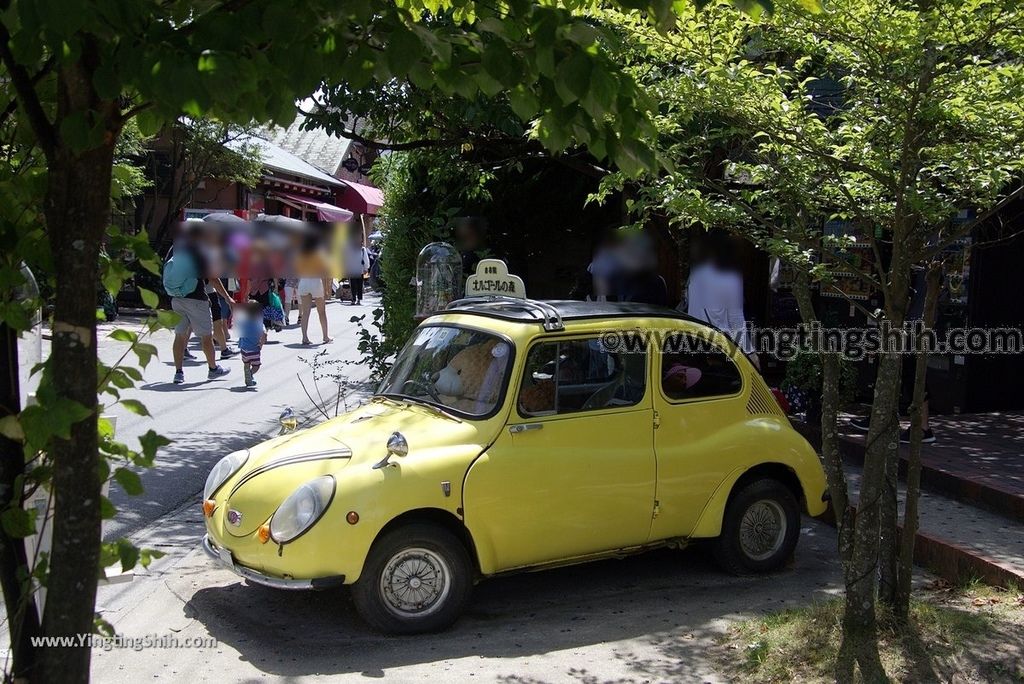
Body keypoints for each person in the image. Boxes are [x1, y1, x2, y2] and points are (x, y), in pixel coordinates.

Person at [163, 224, 232, 384]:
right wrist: (228, 298)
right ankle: (213, 369)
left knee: (180, 336)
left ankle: (178, 373)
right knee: (206, 336)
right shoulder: (199, 252)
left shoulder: (174, 249)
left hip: (176, 298)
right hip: (196, 299)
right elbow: (213, 278)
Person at [683, 230, 759, 370]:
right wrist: (750, 352)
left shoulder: (696, 274)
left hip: (694, 342)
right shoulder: (731, 278)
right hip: (719, 347)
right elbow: (736, 320)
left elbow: (690, 305)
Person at [296, 234, 332, 345]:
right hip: (315, 282)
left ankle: (304, 338)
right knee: (321, 312)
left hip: (304, 282)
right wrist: (326, 289)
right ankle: (325, 336)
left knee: (305, 313)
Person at [238, 300, 266, 388]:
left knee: (246, 362)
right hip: (254, 348)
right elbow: (264, 334)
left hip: (243, 348)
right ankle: (250, 374)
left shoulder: (242, 321)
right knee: (256, 365)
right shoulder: (258, 322)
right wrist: (261, 344)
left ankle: (248, 374)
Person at [342, 230, 370, 305]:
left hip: (360, 269)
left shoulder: (362, 249)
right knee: (353, 285)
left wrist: (366, 268)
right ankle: (353, 299)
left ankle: (359, 299)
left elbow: (365, 258)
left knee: (359, 285)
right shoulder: (348, 248)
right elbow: (345, 258)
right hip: (351, 269)